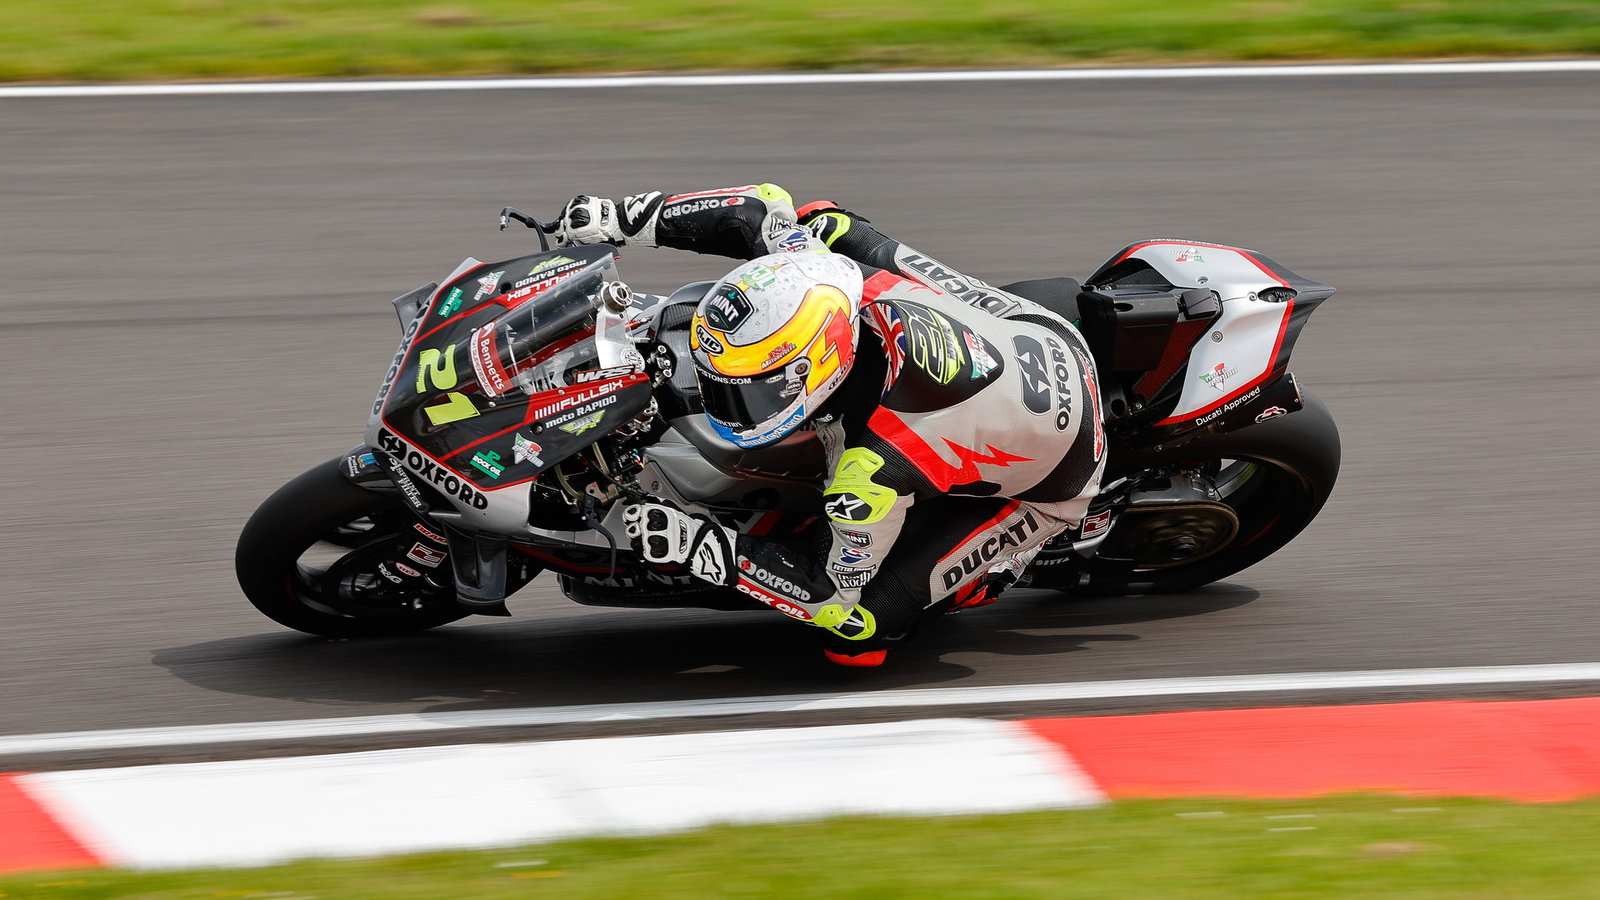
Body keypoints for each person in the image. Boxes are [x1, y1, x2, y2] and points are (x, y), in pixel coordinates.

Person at [553, 184, 1105, 667]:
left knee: (859, 630)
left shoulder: (868, 470)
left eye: (747, 388)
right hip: (1028, 327)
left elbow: (828, 591)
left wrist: (690, 539)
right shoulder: (820, 275)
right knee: (824, 221)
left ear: (814, 370)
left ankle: (994, 570)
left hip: (1062, 465)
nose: (722, 398)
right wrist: (615, 218)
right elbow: (756, 208)